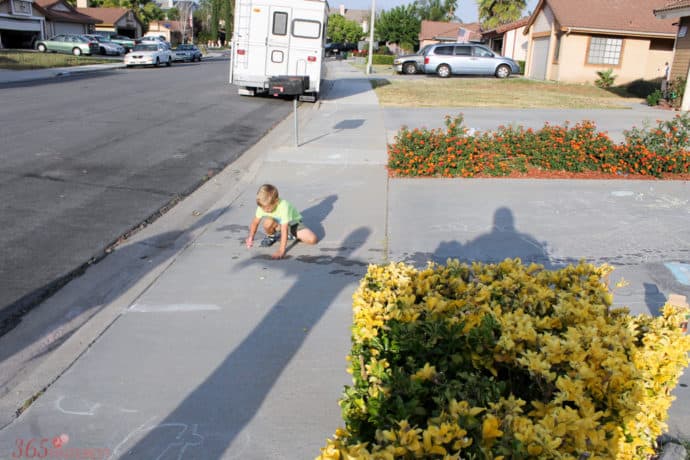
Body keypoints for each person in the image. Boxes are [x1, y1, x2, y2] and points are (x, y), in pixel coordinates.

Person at [245, 184, 318, 259]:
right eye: (263, 208)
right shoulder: (262, 206)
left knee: (312, 240)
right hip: (278, 224)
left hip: (293, 224)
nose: (265, 210)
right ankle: (271, 236)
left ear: (276, 201)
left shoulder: (284, 206)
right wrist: (251, 237)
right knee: (268, 222)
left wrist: (281, 250)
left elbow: (284, 228)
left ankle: (290, 235)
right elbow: (255, 223)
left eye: (267, 208)